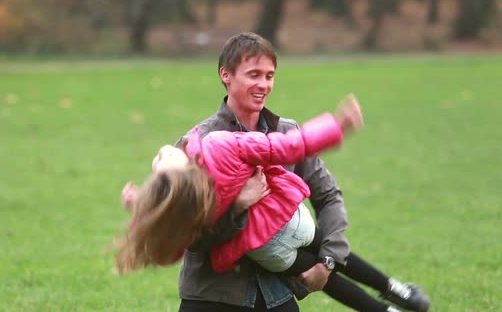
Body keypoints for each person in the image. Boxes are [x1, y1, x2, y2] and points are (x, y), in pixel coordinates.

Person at [119, 32, 430, 312]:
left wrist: (328, 260)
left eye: (269, 76)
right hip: (213, 296)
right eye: (254, 75)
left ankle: (392, 293)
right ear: (225, 76)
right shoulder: (197, 144)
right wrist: (238, 206)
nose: (263, 84)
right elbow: (191, 239)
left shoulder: (286, 132)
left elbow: (328, 196)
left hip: (275, 294)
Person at [116, 94, 361, 274]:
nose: (162, 151)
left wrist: (142, 206)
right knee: (331, 267)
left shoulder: (190, 201)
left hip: (263, 249)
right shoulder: (217, 146)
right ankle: (389, 294)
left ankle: (387, 296)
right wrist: (335, 127)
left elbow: (171, 243)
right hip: (289, 220)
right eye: (164, 158)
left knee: (325, 274)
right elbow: (287, 146)